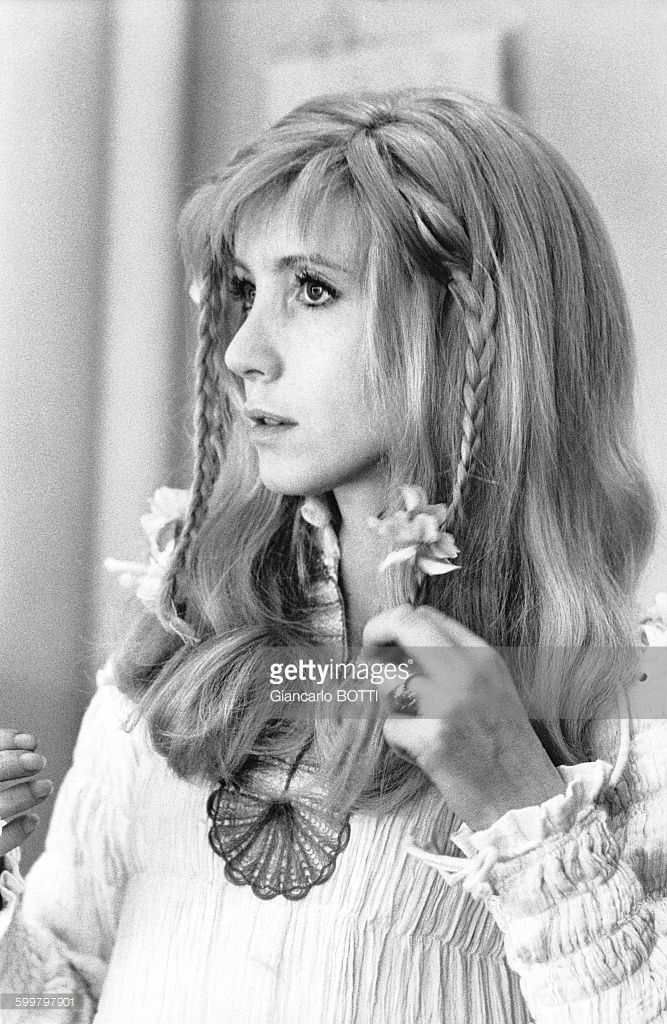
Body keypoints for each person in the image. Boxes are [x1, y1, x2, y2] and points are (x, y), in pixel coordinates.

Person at [1, 87, 666, 1023]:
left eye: (311, 289)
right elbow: (56, 1002)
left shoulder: (631, 696)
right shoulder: (176, 650)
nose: (241, 352)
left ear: (472, 329)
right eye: (244, 290)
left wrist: (524, 816)